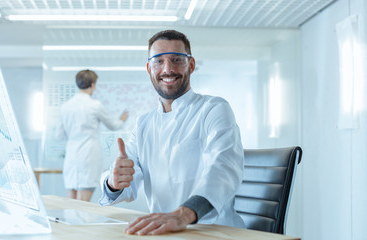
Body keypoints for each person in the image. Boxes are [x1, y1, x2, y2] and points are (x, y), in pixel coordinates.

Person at [99, 30, 245, 235]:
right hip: (164, 232)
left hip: (214, 231)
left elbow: (222, 170)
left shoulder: (213, 109)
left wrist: (184, 214)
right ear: (149, 68)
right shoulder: (144, 123)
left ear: (191, 65)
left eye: (177, 59)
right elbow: (127, 184)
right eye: (158, 61)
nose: (167, 69)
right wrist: (113, 182)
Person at [56, 70, 128, 201]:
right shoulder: (95, 105)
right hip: (89, 154)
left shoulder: (65, 106)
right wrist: (122, 119)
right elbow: (114, 125)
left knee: (71, 203)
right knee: (83, 205)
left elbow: (59, 135)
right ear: (93, 85)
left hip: (71, 155)